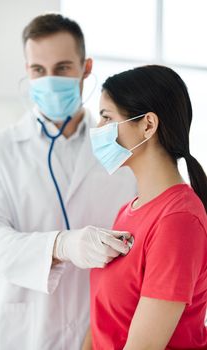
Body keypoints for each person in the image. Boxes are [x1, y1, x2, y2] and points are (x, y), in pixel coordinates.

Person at [0, 13, 137, 350]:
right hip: (21, 332)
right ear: (27, 71)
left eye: (62, 68)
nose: (49, 80)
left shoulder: (120, 152)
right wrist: (60, 246)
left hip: (98, 329)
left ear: (86, 67)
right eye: (38, 70)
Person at [83, 65, 207, 349]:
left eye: (106, 117)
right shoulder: (128, 210)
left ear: (148, 125)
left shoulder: (178, 220)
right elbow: (102, 320)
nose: (98, 130)